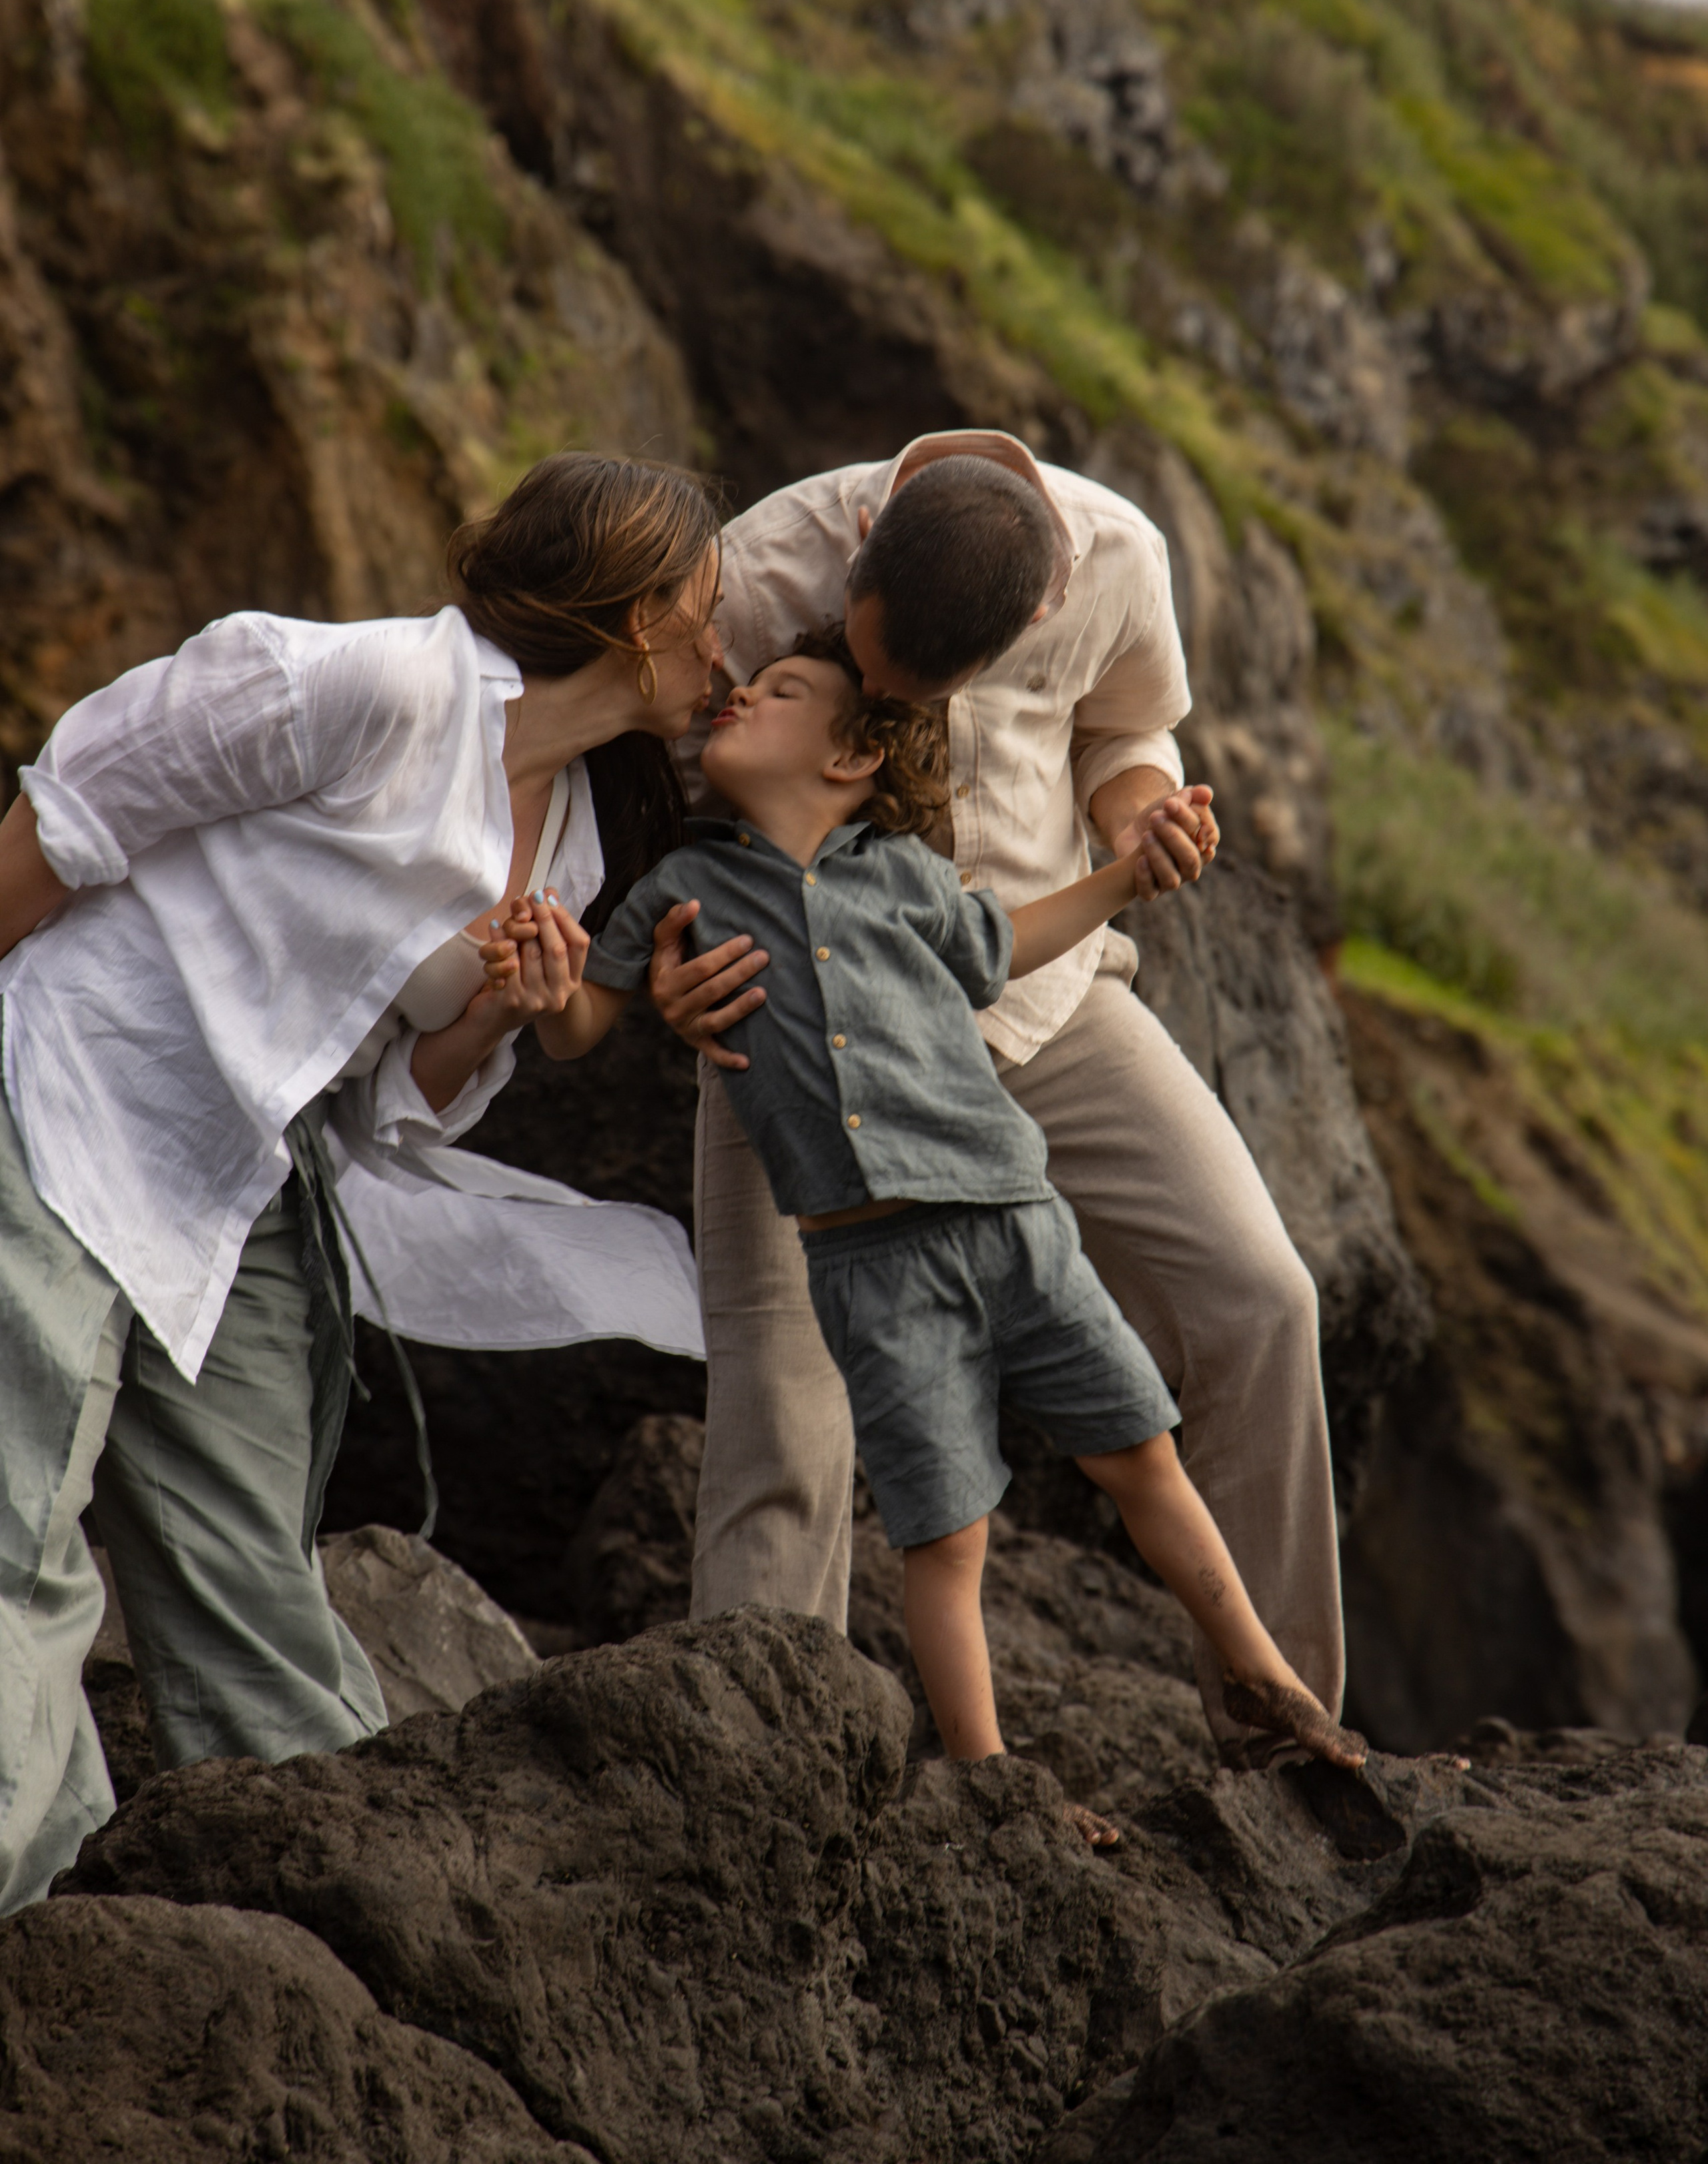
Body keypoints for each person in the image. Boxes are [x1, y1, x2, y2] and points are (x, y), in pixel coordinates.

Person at [492, 630, 1364, 1840]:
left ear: (852, 755)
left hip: (1016, 1223)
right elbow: (587, 1021)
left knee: (1143, 1458)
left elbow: (1004, 948)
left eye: (780, 691)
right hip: (868, 1270)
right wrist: (546, 993)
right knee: (947, 1544)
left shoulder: (905, 872)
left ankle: (1273, 1688)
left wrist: (1127, 879)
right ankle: (993, 1783)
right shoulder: (681, 885)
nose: (740, 694)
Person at [0, 451, 717, 1915]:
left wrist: (501, 1012)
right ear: (643, 619)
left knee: (253, 1589)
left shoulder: (574, 837)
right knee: (19, 1535)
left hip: (241, 1186)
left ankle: (352, 1931)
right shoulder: (374, 686)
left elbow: (399, 1095)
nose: (733, 646)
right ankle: (40, 1906)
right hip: (74, 1094)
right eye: (715, 607)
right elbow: (72, 815)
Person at [644, 430, 1342, 1764]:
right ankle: (757, 1787)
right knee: (784, 1409)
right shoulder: (756, 571)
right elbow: (649, 776)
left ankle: (1288, 1747)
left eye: (915, 692)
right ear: (857, 555)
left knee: (1264, 1300)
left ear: (1035, 618)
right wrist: (671, 975)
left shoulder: (1117, 558)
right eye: (865, 670)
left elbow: (1127, 726)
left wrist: (1139, 817)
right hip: (803, 1040)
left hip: (1045, 996)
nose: (881, 704)